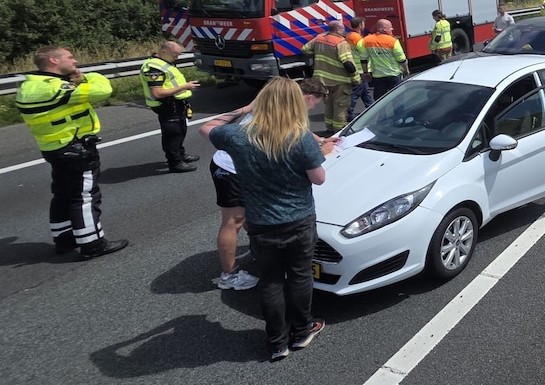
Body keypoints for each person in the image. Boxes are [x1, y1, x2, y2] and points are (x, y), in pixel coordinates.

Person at [201, 77, 327, 362]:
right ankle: (302, 331)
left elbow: (206, 128)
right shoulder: (300, 136)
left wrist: (245, 109)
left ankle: (276, 343)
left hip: (260, 222)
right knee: (299, 277)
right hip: (298, 219)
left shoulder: (239, 136)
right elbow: (318, 179)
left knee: (270, 282)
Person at [206, 78, 336, 292]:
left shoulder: (280, 105)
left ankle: (261, 250)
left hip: (245, 164)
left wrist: (320, 141)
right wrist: (246, 109)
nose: (314, 108)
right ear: (308, 98)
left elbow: (298, 129)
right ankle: (229, 274)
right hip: (230, 169)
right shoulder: (272, 110)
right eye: (315, 104)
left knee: (252, 213)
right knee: (234, 220)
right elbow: (208, 129)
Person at [17, 46, 128, 258]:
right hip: (75, 148)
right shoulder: (55, 87)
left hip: (53, 147)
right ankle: (92, 244)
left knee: (62, 194)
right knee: (84, 197)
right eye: (70, 57)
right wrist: (88, 76)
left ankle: (64, 239)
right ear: (53, 60)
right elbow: (103, 90)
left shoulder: (29, 86)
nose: (75, 61)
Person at [141, 41, 202, 173]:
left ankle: (180, 154)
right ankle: (175, 162)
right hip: (166, 105)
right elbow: (157, 93)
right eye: (175, 54)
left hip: (176, 103)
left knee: (180, 130)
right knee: (172, 134)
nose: (177, 57)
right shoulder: (154, 68)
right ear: (164, 52)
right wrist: (185, 86)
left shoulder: (164, 63)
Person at [301, 21, 358, 133]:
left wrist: (316, 54)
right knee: (340, 106)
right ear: (337, 30)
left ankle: (329, 128)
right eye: (342, 30)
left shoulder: (319, 38)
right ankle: (339, 130)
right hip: (340, 80)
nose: (343, 32)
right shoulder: (341, 43)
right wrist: (356, 78)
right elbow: (348, 63)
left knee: (328, 104)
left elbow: (305, 49)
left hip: (322, 79)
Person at [358, 18, 410, 100]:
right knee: (397, 100)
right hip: (393, 75)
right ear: (383, 28)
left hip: (378, 76)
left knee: (379, 101)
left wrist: (366, 73)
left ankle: (382, 114)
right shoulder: (393, 41)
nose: (392, 29)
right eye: (390, 27)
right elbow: (401, 59)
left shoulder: (366, 40)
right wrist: (406, 70)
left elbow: (363, 59)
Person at [345, 17, 373, 120]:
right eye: (363, 24)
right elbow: (364, 53)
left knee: (365, 91)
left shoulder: (349, 36)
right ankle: (349, 113)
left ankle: (370, 108)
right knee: (355, 93)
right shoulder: (358, 39)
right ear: (360, 25)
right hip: (359, 69)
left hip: (354, 67)